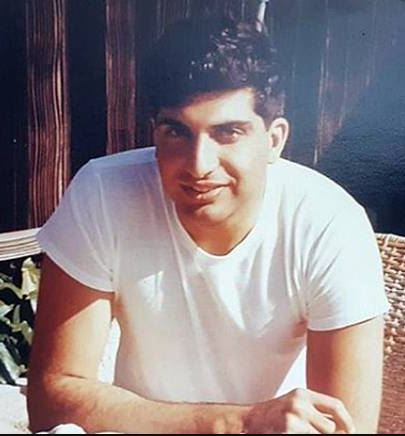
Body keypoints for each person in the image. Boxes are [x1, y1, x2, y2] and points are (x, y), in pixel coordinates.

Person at [27, 16, 389, 434]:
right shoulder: (105, 193)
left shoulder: (329, 223)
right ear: (154, 133)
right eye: (177, 132)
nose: (199, 165)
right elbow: (51, 398)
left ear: (274, 140)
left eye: (228, 132)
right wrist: (239, 422)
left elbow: (346, 427)